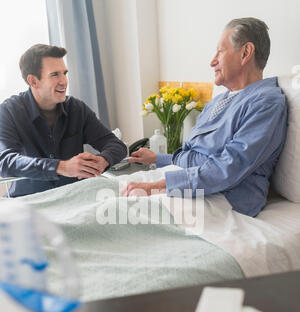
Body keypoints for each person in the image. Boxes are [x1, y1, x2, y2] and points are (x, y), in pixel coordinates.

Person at [122, 17, 288, 217]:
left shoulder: (265, 103)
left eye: (220, 51)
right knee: (100, 194)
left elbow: (228, 167)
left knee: (117, 217)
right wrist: (158, 158)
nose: (212, 61)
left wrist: (158, 186)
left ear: (245, 53)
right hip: (190, 184)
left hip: (225, 197)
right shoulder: (218, 102)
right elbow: (193, 154)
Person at [0, 44, 127, 197]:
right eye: (55, 75)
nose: (64, 81)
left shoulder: (76, 108)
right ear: (33, 81)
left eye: (64, 73)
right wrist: (61, 167)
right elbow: (5, 162)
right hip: (28, 202)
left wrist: (103, 160)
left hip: (72, 199)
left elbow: (115, 144)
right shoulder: (9, 111)